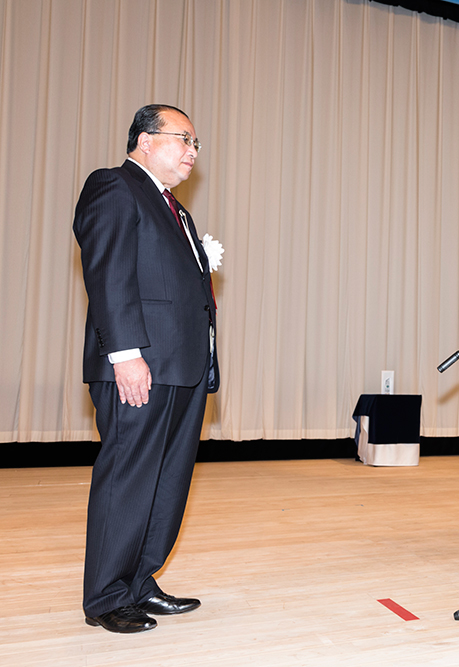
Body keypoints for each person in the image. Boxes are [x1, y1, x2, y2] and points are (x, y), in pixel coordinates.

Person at [73, 104, 219, 633]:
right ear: (144, 140)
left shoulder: (176, 210)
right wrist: (126, 355)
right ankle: (107, 597)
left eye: (196, 144)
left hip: (179, 365)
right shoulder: (114, 186)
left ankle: (139, 581)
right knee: (129, 478)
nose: (192, 152)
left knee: (166, 481)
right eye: (183, 139)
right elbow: (109, 274)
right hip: (138, 364)